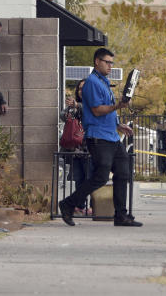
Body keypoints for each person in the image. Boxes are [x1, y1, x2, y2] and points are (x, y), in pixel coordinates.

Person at [58, 48, 141, 227]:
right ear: (97, 61)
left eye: (112, 62)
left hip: (111, 136)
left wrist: (119, 125)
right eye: (107, 62)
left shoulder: (104, 82)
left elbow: (107, 111)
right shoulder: (92, 83)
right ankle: (68, 204)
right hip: (98, 137)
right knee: (101, 177)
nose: (110, 66)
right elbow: (96, 111)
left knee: (123, 172)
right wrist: (118, 106)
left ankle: (120, 215)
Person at [60, 82, 91, 215]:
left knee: (91, 178)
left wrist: (78, 106)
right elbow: (62, 115)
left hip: (89, 148)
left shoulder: (92, 104)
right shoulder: (73, 105)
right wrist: (68, 111)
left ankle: (94, 206)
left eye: (83, 89)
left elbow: (91, 114)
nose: (80, 91)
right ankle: (80, 206)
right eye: (79, 88)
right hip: (75, 148)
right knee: (78, 178)